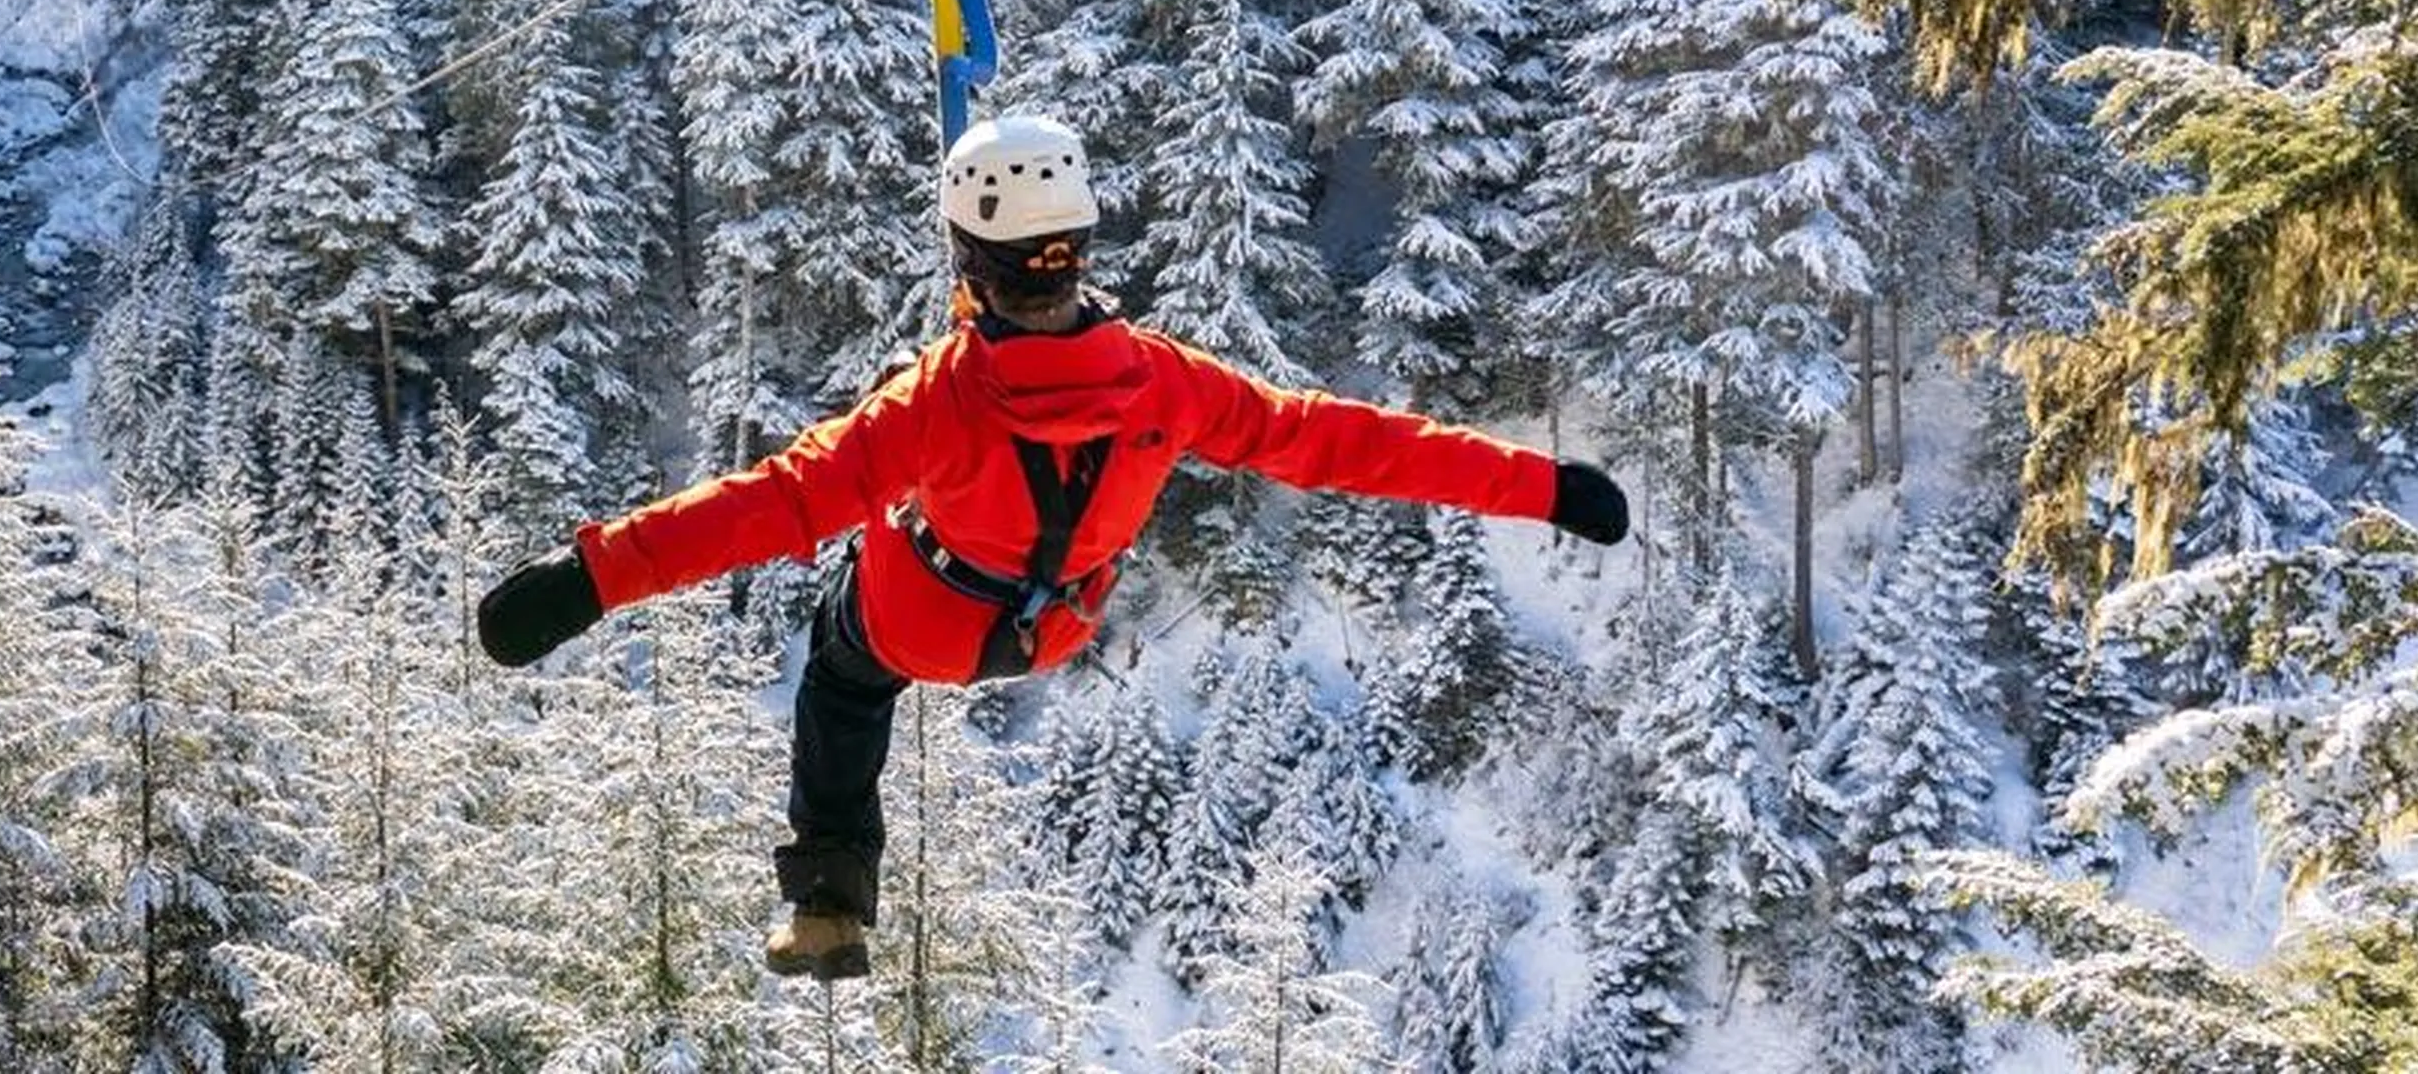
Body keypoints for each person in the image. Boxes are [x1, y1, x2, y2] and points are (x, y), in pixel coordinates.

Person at [474, 111, 1630, 981]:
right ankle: (837, 873)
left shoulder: (929, 406)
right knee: (886, 600)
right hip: (1056, 625)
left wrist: (591, 578)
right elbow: (1333, 442)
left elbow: (766, 504)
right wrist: (1540, 482)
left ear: (964, 265)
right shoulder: (1161, 384)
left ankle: (830, 897)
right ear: (1076, 248)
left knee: (839, 668)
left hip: (923, 618)